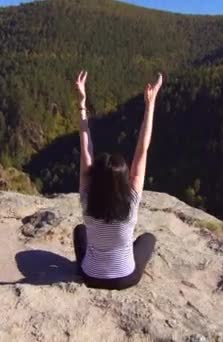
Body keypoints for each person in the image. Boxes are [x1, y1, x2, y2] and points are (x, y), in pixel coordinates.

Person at [72, 70, 163, 290]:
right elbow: (142, 150)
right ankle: (118, 255)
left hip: (90, 276)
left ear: (95, 178)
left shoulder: (87, 200)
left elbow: (86, 151)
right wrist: (150, 105)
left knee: (79, 231)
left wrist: (82, 104)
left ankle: (102, 259)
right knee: (148, 239)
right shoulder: (131, 201)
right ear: (124, 179)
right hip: (125, 278)